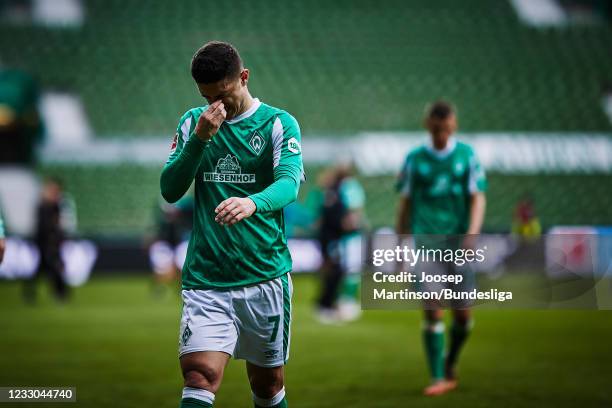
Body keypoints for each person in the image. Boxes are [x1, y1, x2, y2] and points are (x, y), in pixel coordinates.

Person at [160, 41, 304, 408]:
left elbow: (289, 184)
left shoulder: (278, 123)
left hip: (263, 275)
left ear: (243, 77)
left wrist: (252, 202)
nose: (216, 105)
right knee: (199, 375)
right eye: (207, 96)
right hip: (207, 278)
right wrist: (199, 141)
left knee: (268, 385)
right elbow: (170, 189)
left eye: (222, 95)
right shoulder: (195, 122)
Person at [395, 101, 486, 396]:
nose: (441, 134)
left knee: (463, 316)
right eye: (436, 129)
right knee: (432, 310)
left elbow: (478, 198)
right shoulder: (414, 159)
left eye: (445, 129)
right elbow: (405, 204)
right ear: (427, 125)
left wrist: (472, 234)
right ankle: (436, 377)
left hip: (458, 245)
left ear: (453, 126)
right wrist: (401, 244)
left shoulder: (466, 156)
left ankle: (450, 362)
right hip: (426, 245)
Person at [316, 161, 366, 323]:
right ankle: (343, 302)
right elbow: (353, 212)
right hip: (344, 236)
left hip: (336, 235)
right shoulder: (347, 186)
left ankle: (335, 302)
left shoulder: (337, 187)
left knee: (340, 269)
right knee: (347, 270)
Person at [25, 177, 69, 302]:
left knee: (49, 267)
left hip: (53, 241)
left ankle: (58, 292)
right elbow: (44, 227)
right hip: (44, 242)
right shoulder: (43, 206)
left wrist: (59, 238)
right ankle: (59, 293)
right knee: (52, 267)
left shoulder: (56, 205)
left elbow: (58, 224)